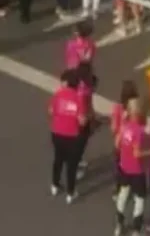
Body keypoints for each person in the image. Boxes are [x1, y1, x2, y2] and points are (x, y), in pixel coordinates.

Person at [49, 69, 87, 204]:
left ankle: (55, 184)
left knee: (58, 159)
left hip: (56, 133)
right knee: (72, 165)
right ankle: (71, 193)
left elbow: (51, 111)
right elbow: (82, 120)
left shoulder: (58, 95)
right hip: (72, 136)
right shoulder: (78, 98)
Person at [114, 94, 149, 236]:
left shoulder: (124, 127)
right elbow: (138, 154)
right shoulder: (139, 131)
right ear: (138, 113)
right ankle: (135, 230)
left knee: (123, 194)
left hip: (124, 166)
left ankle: (119, 225)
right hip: (137, 170)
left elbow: (116, 144)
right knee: (139, 199)